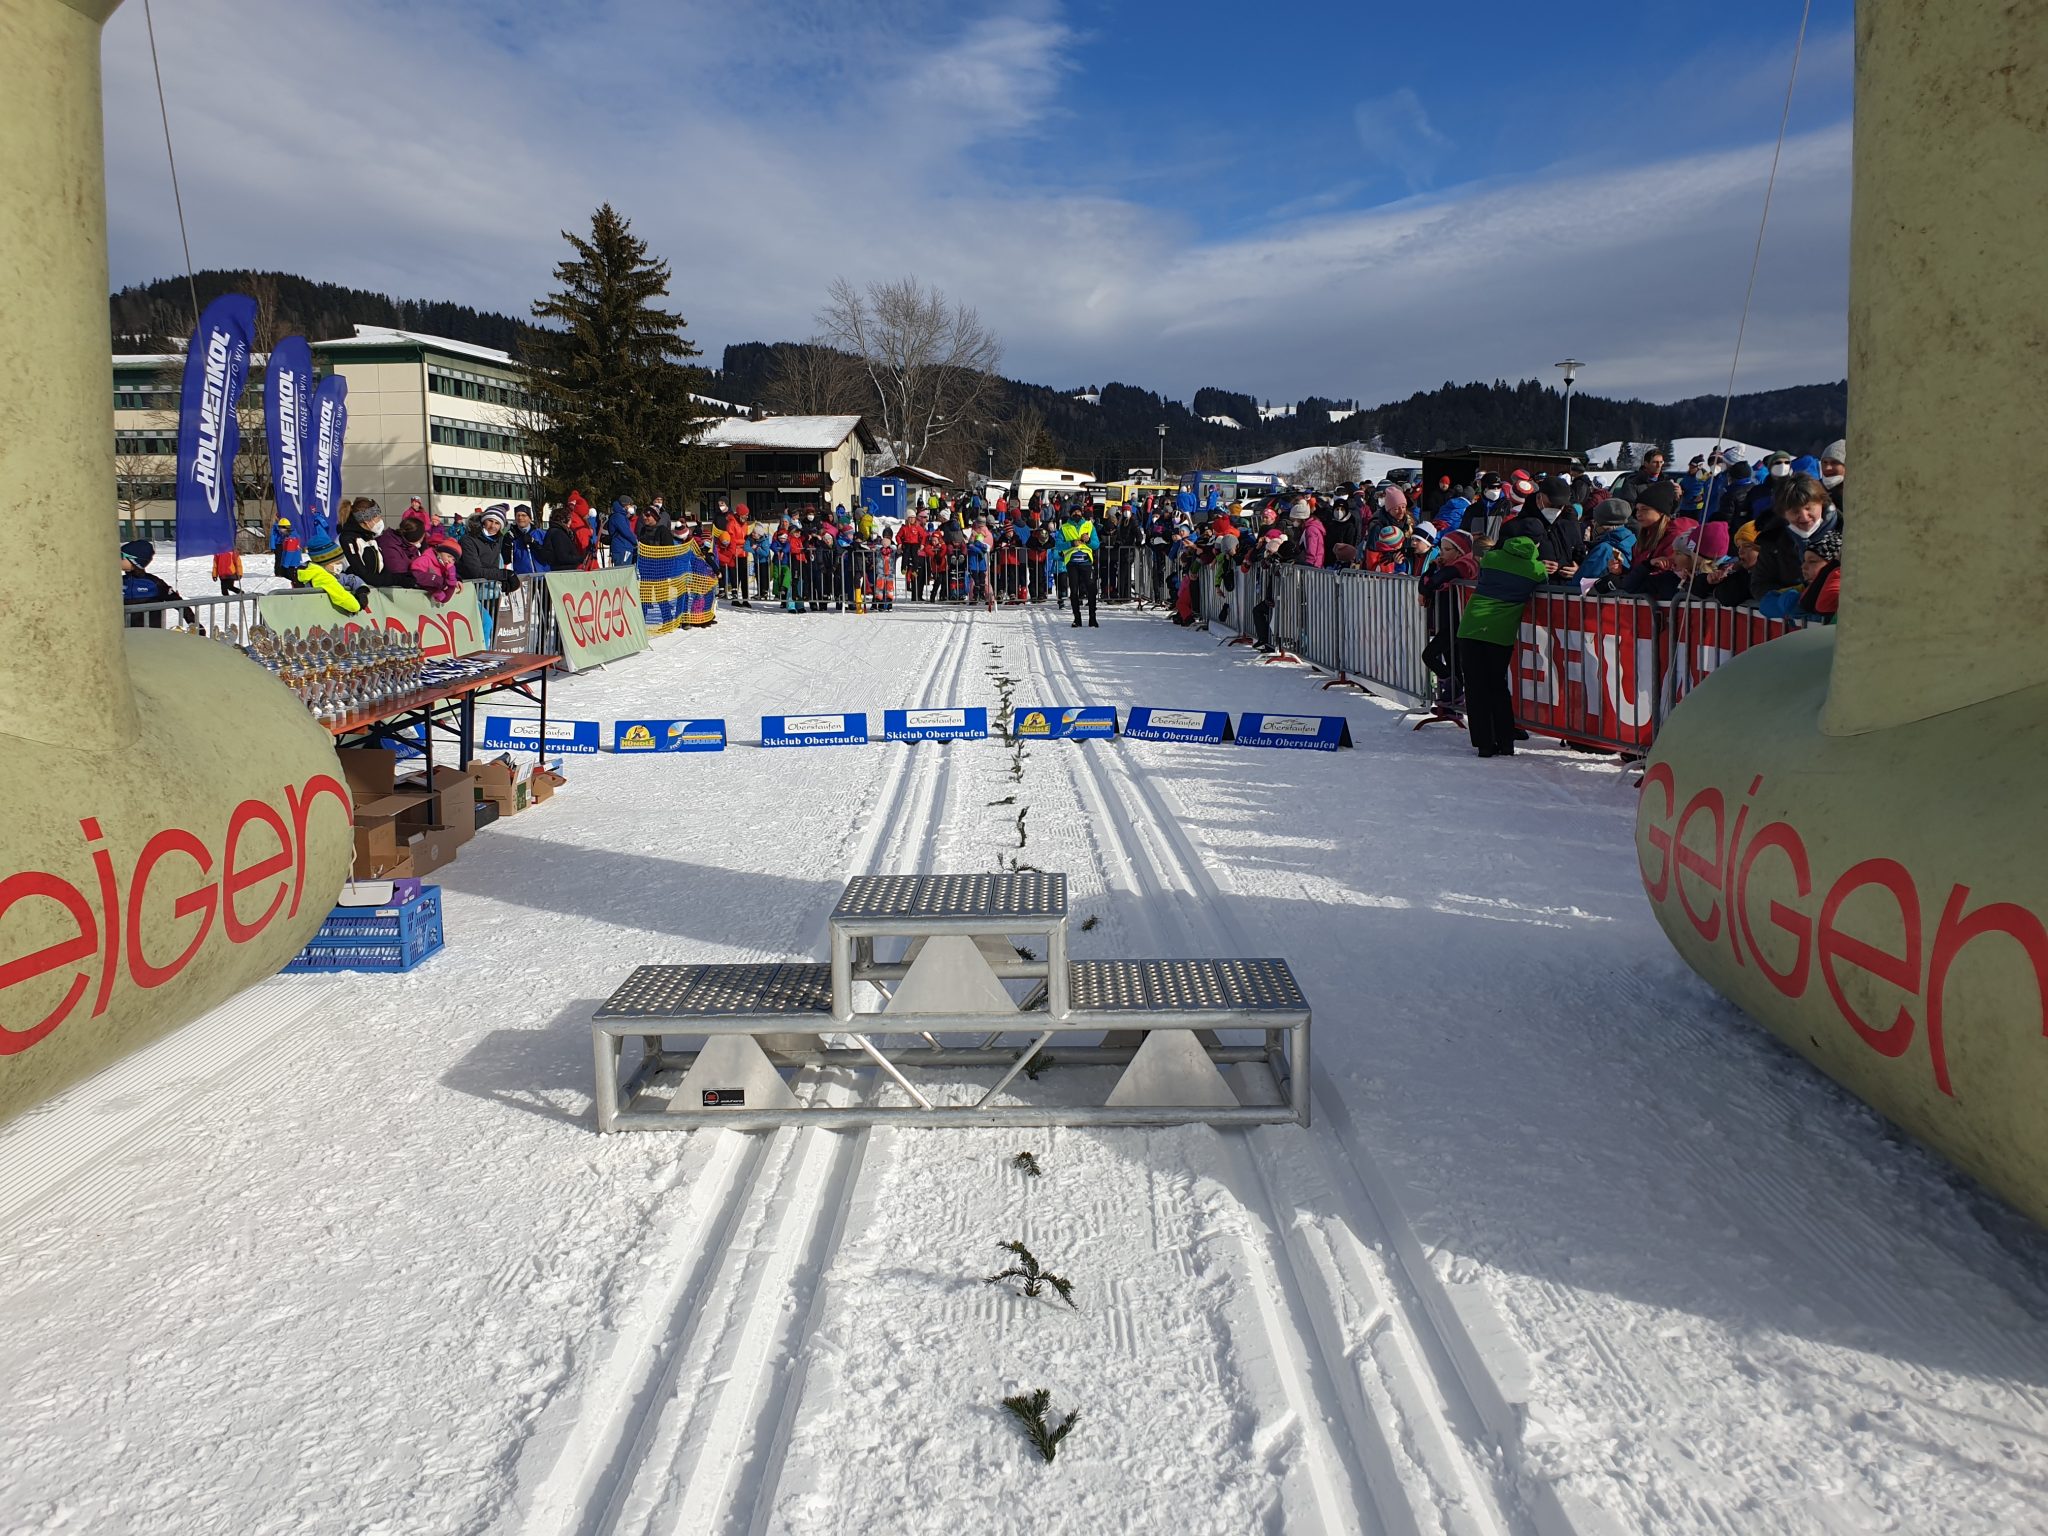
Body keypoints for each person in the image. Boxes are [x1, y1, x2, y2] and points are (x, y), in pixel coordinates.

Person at [1455, 534, 1548, 758]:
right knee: (1497, 686)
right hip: (1501, 633)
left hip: (1473, 626)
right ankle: (1506, 741)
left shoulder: (1491, 558)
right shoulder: (1537, 570)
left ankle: (1484, 744)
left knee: (1476, 687)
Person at [1502, 476, 1583, 580]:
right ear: (1539, 497)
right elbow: (1502, 560)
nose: (1555, 509)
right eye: (1551, 503)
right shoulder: (1516, 526)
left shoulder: (1569, 524)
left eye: (1560, 506)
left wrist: (1579, 571)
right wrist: (1534, 566)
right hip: (1529, 590)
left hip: (1563, 591)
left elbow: (1580, 555)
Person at [120, 539, 180, 628]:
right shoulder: (117, 582)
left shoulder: (154, 583)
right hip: (125, 637)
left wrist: (193, 623)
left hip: (151, 637)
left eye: (121, 556)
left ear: (134, 560)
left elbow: (177, 602)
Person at [1059, 503, 1099, 627]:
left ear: (1082, 513)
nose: (1076, 514)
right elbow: (1058, 545)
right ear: (1070, 514)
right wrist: (1071, 543)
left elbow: (1096, 544)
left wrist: (1088, 540)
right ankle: (1077, 618)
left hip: (1086, 562)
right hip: (1072, 563)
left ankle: (1093, 618)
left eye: (1078, 512)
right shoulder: (1064, 527)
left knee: (1091, 590)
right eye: (1074, 512)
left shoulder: (1088, 525)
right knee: (1074, 591)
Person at [1795, 530, 1843, 624]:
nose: (1803, 567)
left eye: (1812, 561)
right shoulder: (1805, 587)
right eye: (1804, 561)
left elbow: (1823, 605)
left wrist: (1834, 568)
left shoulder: (1841, 584)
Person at [542, 504, 586, 571]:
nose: (571, 521)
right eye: (570, 518)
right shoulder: (558, 533)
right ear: (564, 519)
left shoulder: (556, 531)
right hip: (563, 572)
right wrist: (582, 559)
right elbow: (563, 557)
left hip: (561, 571)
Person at [606, 496, 638, 567]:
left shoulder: (622, 516)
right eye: (630, 505)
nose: (632, 507)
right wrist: (635, 541)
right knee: (623, 570)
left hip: (624, 547)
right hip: (622, 548)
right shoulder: (618, 517)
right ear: (625, 505)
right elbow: (626, 532)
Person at [1820, 439, 1847, 520]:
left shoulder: (1859, 491)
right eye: (1824, 462)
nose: (1828, 468)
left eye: (1834, 462)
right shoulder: (1814, 490)